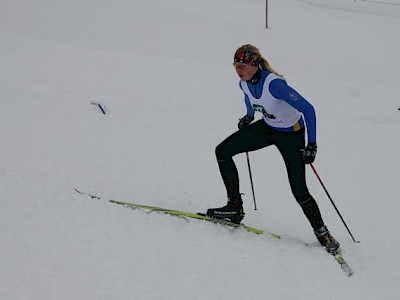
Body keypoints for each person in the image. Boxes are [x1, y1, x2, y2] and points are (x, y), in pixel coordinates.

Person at [207, 44, 340, 254]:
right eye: (235, 65)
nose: (238, 70)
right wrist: (249, 116)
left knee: (298, 188)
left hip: (292, 135)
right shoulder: (244, 83)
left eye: (242, 65)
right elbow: (249, 99)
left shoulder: (275, 84)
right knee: (222, 151)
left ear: (254, 64)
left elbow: (308, 109)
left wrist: (312, 144)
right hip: (268, 127)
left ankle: (322, 232)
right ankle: (234, 207)